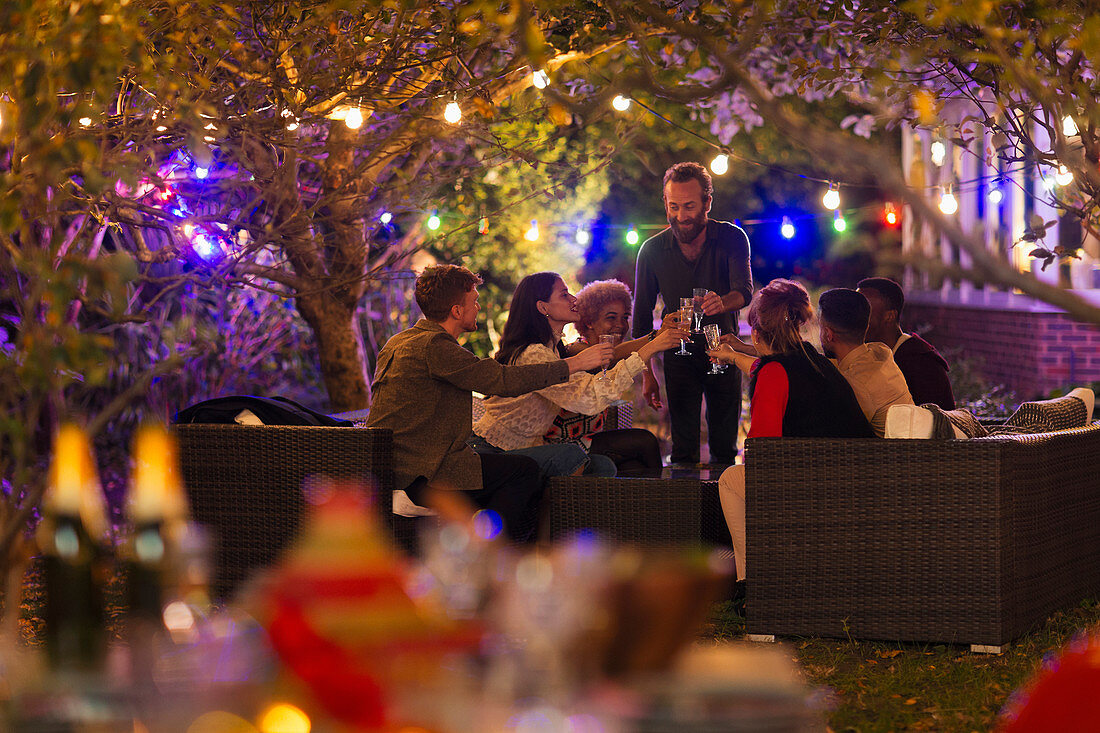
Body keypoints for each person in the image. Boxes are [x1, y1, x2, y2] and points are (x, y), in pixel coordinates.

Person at [366, 264, 612, 543]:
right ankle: (485, 552)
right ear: (457, 311)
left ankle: (481, 541)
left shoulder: (400, 341)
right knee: (523, 472)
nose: (479, 308)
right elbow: (503, 381)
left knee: (523, 472)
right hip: (422, 473)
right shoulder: (436, 347)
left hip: (400, 466)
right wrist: (575, 364)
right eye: (474, 301)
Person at [707, 279, 872, 601]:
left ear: (755, 333)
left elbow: (762, 454)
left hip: (818, 494)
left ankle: (750, 584)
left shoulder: (774, 373)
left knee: (730, 479)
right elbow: (770, 367)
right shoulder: (816, 361)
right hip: (856, 484)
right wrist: (733, 355)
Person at [472, 273, 686, 477]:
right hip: (495, 449)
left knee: (604, 465)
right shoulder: (536, 353)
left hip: (531, 448)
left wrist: (656, 338)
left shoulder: (554, 349)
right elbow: (591, 395)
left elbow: (613, 355)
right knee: (575, 455)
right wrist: (654, 344)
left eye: (625, 317)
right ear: (543, 307)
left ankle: (644, 509)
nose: (574, 299)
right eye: (564, 295)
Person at [632, 161, 753, 466]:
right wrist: (647, 374)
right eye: (674, 206)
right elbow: (642, 319)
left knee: (725, 449)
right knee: (682, 450)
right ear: (665, 203)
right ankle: (684, 510)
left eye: (689, 206)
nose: (681, 216)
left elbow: (745, 291)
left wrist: (722, 303)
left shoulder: (732, 238)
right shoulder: (651, 250)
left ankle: (723, 508)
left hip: (723, 350)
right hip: (678, 355)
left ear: (707, 203)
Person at [551, 279, 672, 477]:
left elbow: (622, 356)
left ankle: (643, 505)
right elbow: (612, 355)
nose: (620, 325)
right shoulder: (576, 350)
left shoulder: (610, 352)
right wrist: (656, 336)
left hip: (590, 439)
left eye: (625, 317)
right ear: (589, 321)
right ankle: (660, 501)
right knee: (645, 441)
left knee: (635, 465)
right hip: (567, 443)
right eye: (611, 318)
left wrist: (649, 376)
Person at [818, 288, 914, 437]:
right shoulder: (880, 352)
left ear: (828, 334)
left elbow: (831, 434)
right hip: (913, 452)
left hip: (888, 458)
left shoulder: (857, 384)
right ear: (866, 327)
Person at [857, 277, 956, 410]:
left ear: (890, 316)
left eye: (864, 310)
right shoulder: (865, 354)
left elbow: (932, 423)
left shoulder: (921, 362)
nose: (854, 316)